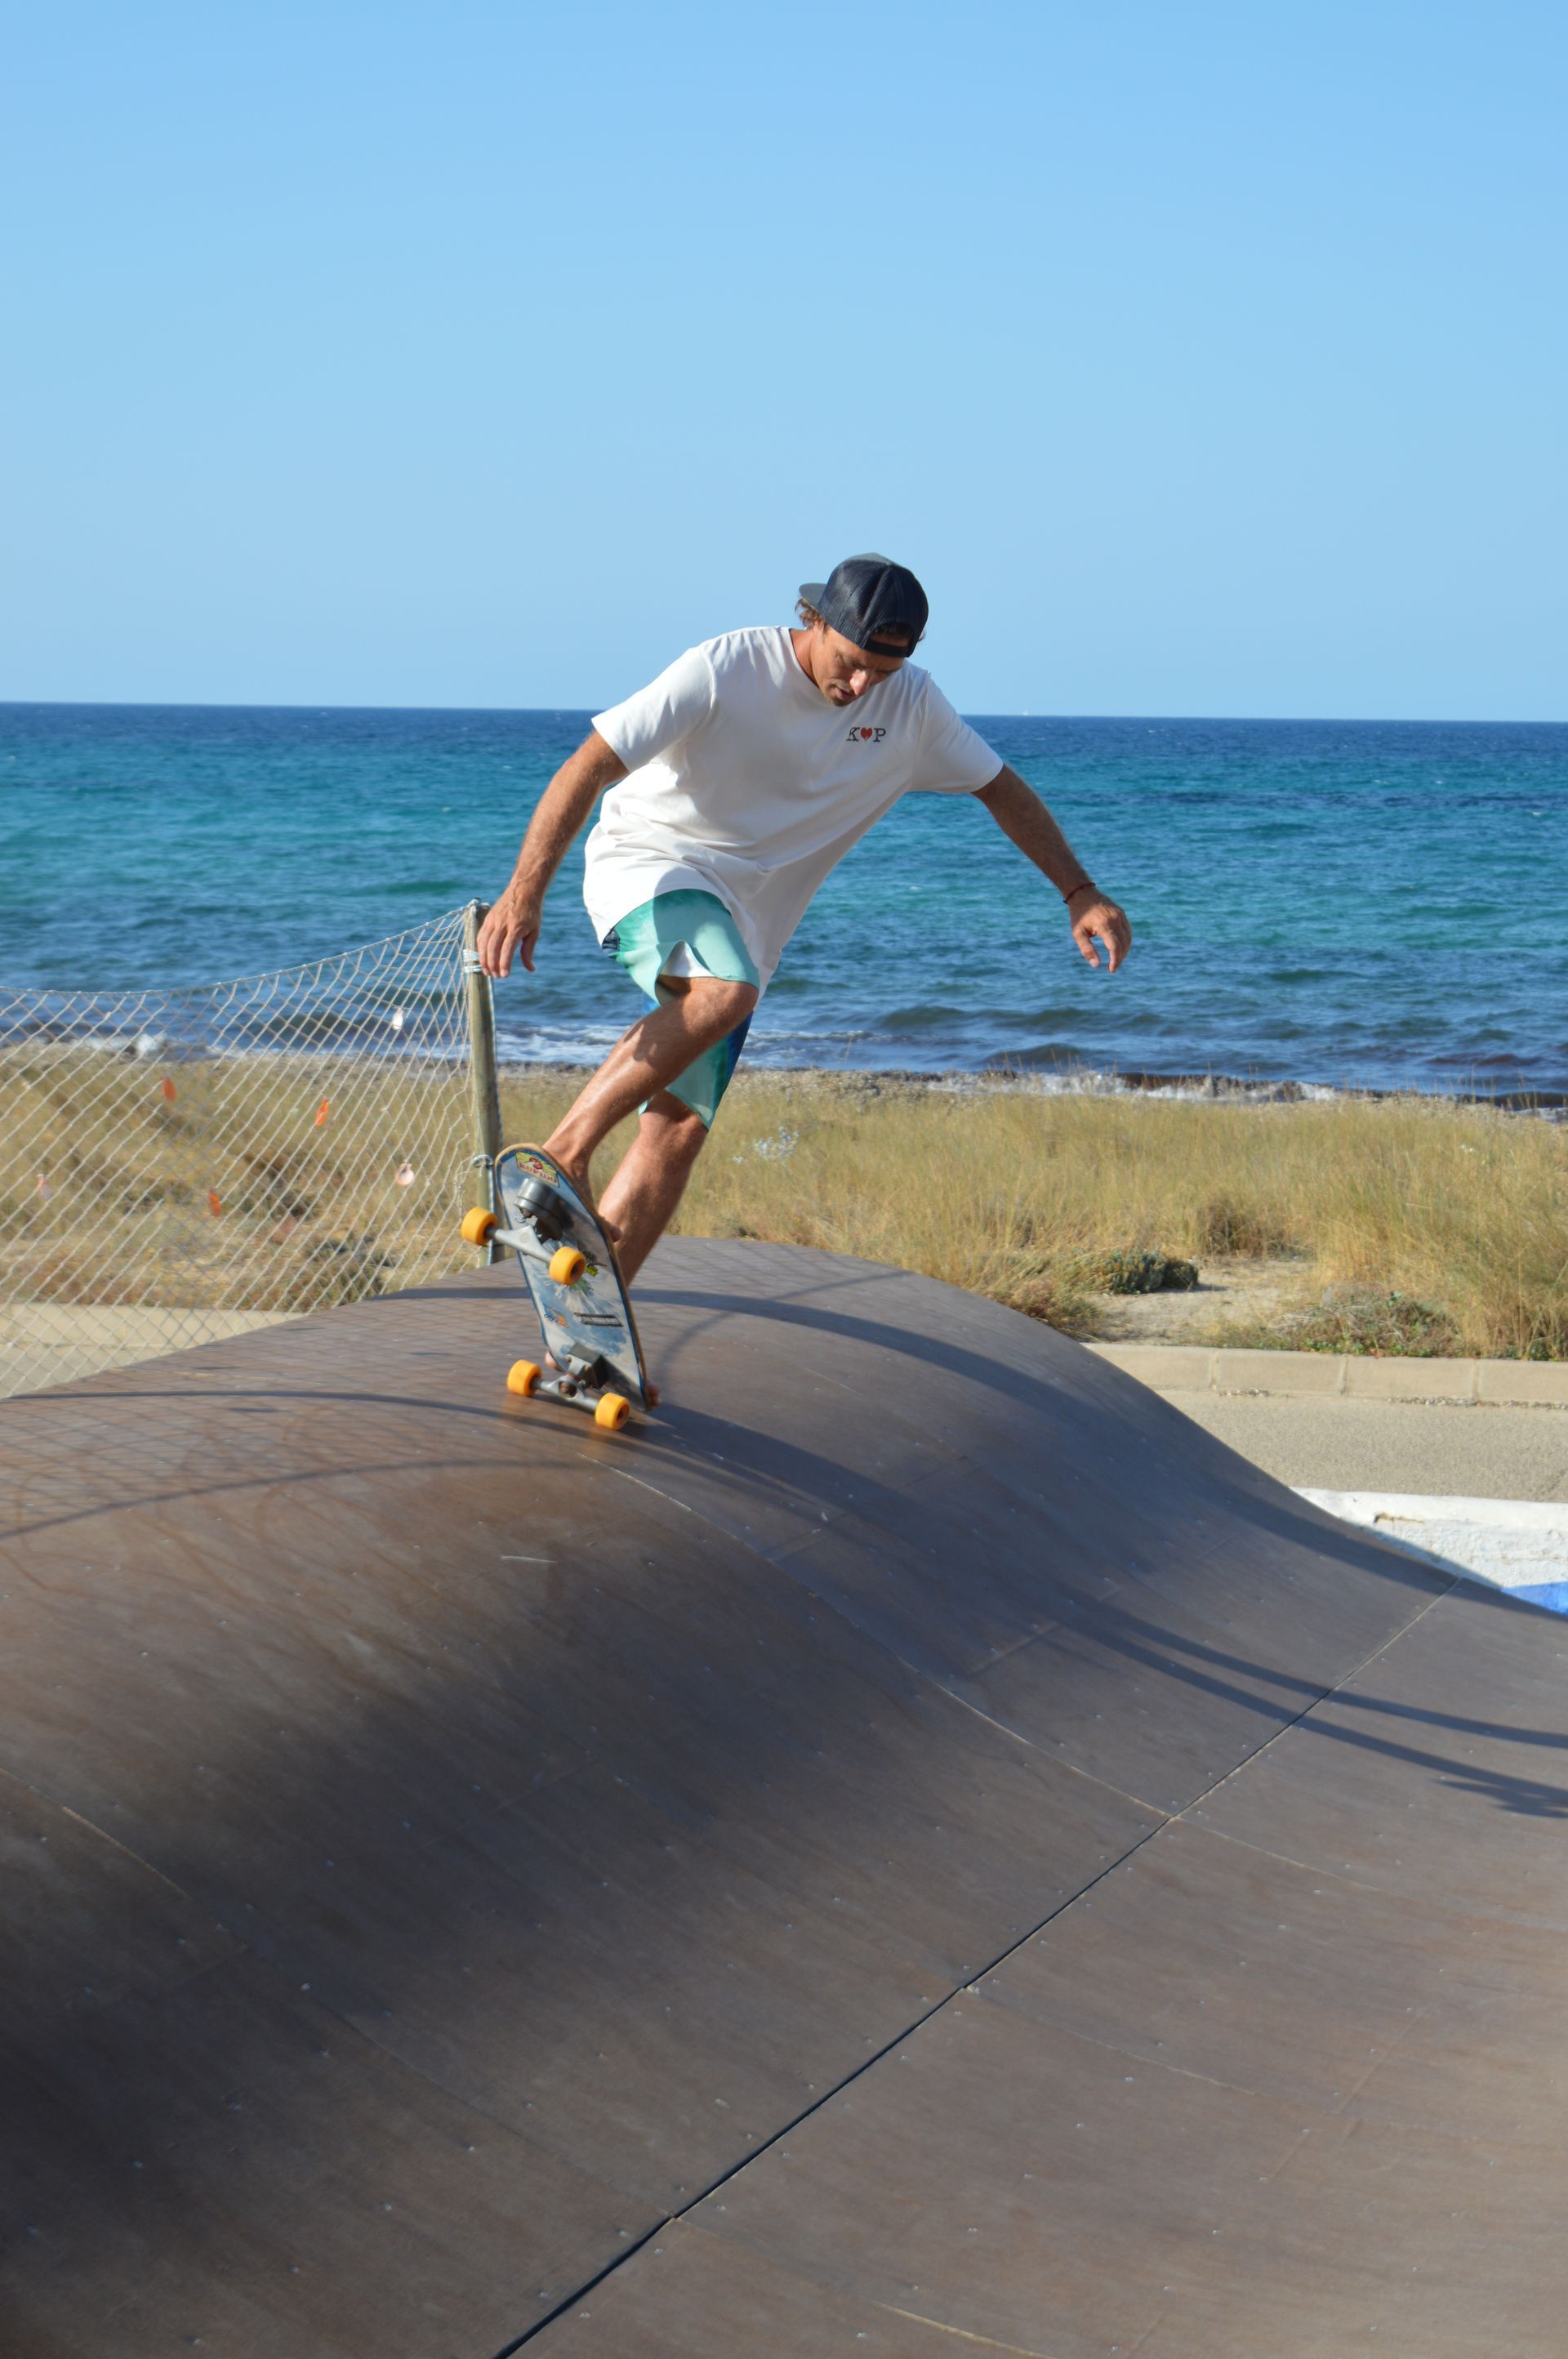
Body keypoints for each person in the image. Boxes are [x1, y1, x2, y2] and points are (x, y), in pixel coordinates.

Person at [478, 553, 1131, 1294]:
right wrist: (522, 893)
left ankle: (597, 1318)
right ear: (812, 620)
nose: (860, 689)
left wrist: (1079, 890)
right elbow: (590, 764)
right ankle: (564, 1153)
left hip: (750, 928)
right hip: (651, 866)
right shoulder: (724, 668)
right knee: (725, 990)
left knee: (679, 1128)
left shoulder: (913, 708)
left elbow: (1003, 790)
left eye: (880, 674)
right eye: (851, 664)